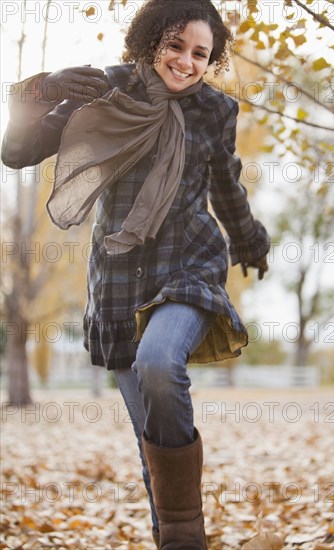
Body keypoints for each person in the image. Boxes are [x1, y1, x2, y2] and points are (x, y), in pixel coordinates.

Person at [2, 0, 270, 547]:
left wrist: (249, 240)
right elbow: (17, 151)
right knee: (150, 439)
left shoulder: (215, 111)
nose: (187, 62)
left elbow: (226, 186)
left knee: (157, 363)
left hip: (189, 266)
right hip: (120, 280)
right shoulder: (105, 88)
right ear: (149, 42)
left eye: (201, 53)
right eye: (175, 46)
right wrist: (40, 89)